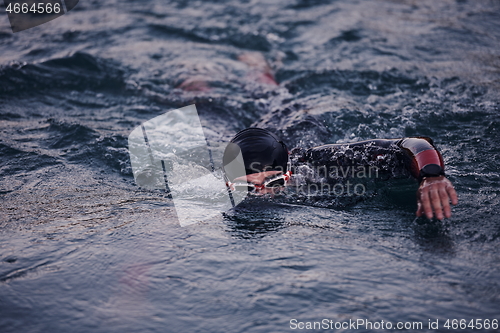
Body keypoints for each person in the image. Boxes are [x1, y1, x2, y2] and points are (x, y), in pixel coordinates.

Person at [223, 128, 458, 220]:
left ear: (289, 173)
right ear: (228, 184)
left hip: (302, 127)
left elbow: (413, 143)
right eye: (247, 188)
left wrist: (431, 175)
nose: (262, 195)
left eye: (273, 181)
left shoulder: (323, 163)